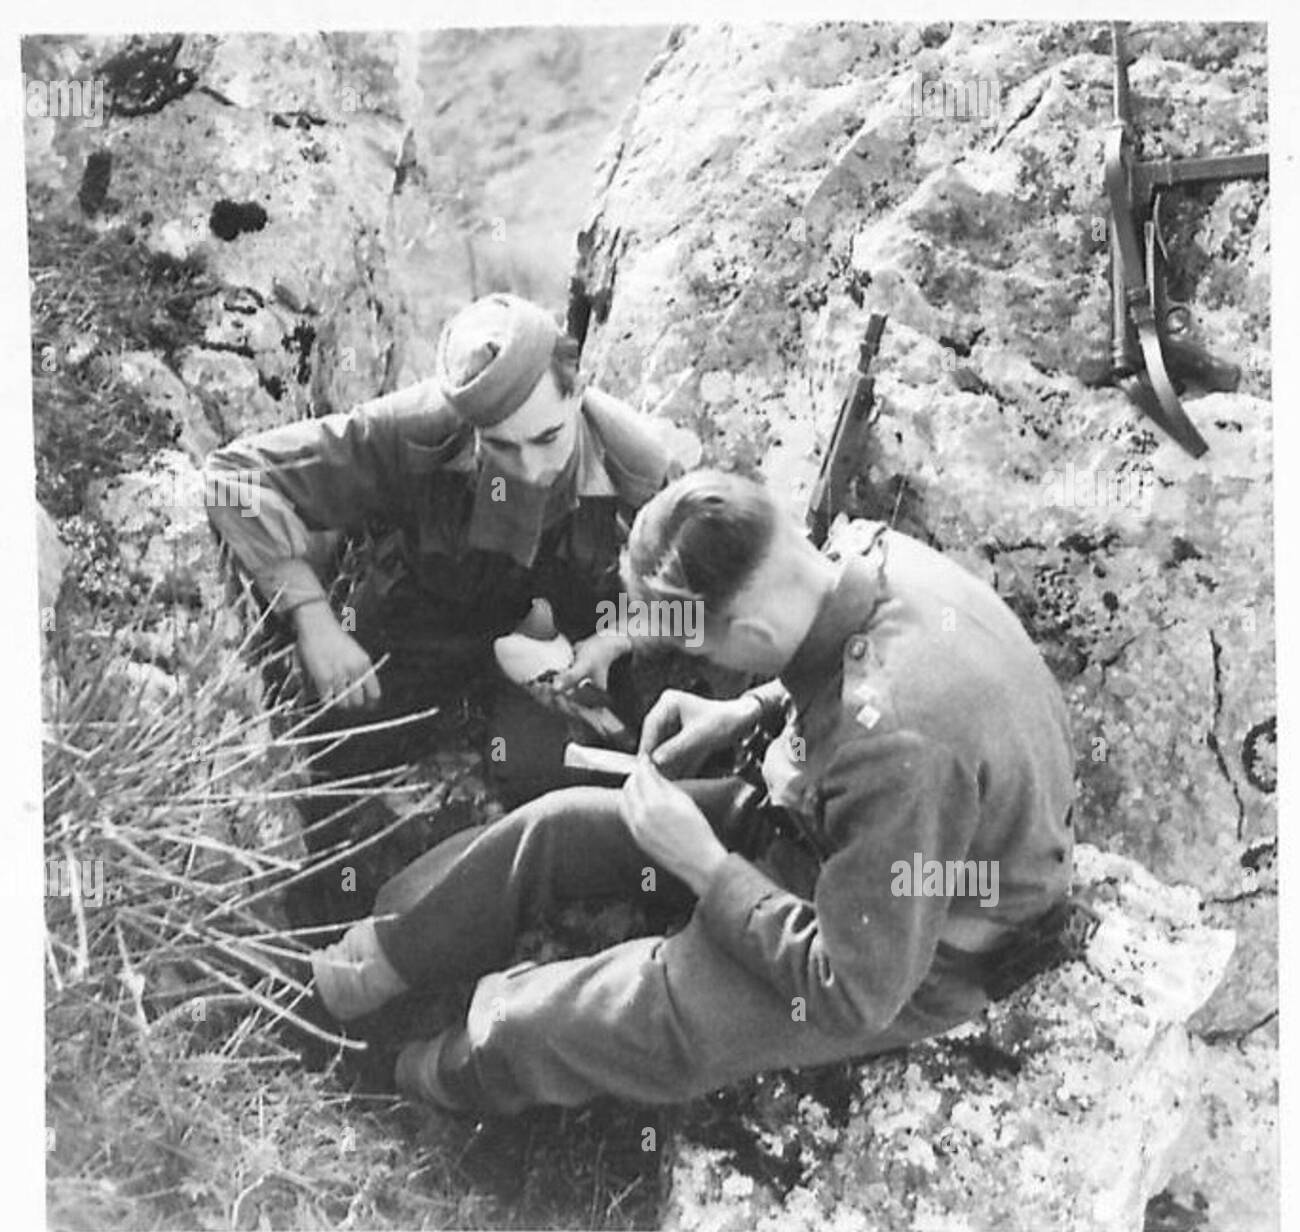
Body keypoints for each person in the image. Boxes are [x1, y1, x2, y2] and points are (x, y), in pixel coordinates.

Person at [309, 469, 1077, 1113]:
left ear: (747, 639)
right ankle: (369, 962)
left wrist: (708, 869)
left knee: (599, 1015)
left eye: (701, 647)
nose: (696, 662)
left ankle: (411, 1077)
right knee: (557, 825)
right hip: (833, 828)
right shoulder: (858, 553)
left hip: (914, 941)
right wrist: (747, 706)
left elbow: (854, 989)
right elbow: (839, 662)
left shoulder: (895, 745)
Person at [203, 293, 701, 913]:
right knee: (332, 761)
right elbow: (233, 476)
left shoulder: (641, 468)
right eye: (504, 447)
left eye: (548, 438)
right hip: (423, 627)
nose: (533, 468)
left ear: (577, 394)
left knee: (583, 782)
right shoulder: (416, 428)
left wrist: (617, 638)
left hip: (560, 656)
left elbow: (706, 600)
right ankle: (327, 933)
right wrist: (314, 618)